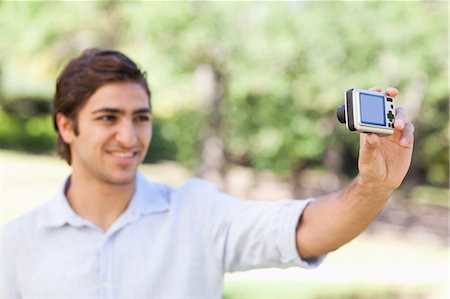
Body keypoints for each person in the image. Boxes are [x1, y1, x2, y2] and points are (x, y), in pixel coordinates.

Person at [1, 48, 414, 298]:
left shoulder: (196, 213)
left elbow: (304, 230)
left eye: (140, 118)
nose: (128, 136)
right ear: (67, 126)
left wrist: (372, 187)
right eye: (108, 118)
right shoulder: (16, 244)